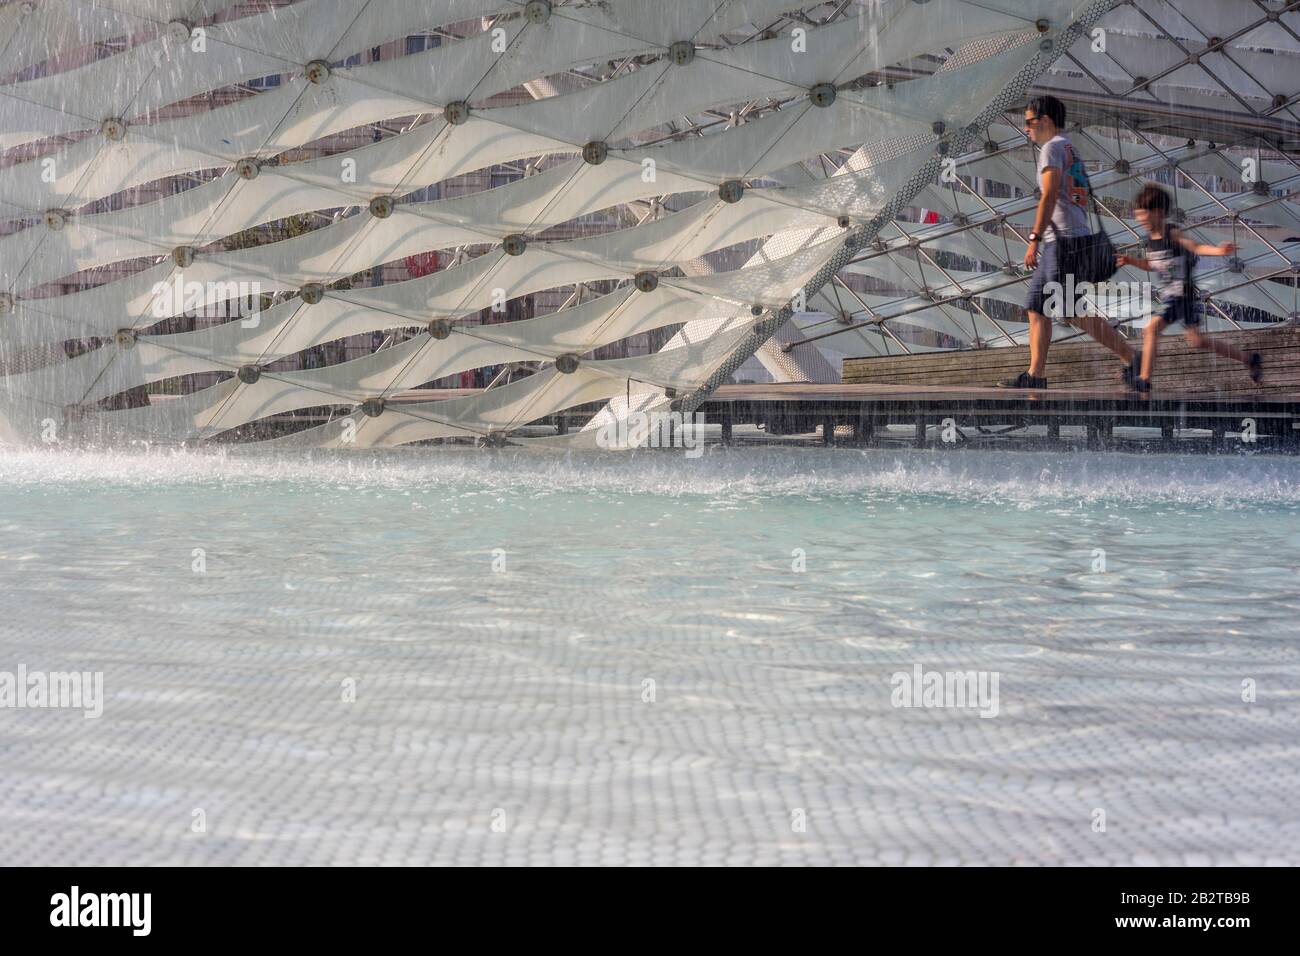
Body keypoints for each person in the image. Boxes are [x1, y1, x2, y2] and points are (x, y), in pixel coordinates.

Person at [998, 95, 1138, 388]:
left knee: (1070, 310)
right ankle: (1035, 375)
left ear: (1045, 120)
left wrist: (1033, 239)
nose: (1026, 129)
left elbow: (1049, 196)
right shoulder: (1069, 147)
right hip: (1068, 239)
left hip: (1063, 242)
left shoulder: (1051, 149)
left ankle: (1130, 357)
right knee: (1038, 308)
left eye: (1029, 122)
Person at [1117, 184, 1262, 392]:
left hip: (1180, 296)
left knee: (1150, 330)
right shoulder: (1150, 241)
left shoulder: (1172, 232)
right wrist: (1131, 261)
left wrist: (1218, 251)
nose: (1140, 220)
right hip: (1174, 297)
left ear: (1158, 212)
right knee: (1197, 340)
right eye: (1138, 216)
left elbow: (1194, 246)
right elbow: (1151, 265)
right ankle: (1249, 358)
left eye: (1143, 215)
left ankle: (1145, 379)